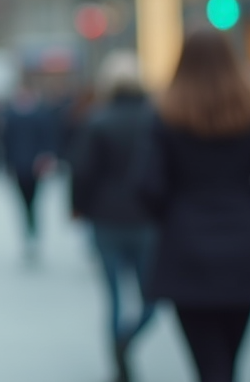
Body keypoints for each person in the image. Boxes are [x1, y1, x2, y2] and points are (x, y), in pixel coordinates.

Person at [139, 30, 250, 382]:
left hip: (185, 244)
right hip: (243, 242)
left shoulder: (166, 115)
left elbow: (147, 185)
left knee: (207, 363)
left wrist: (172, 215)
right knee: (230, 360)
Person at [71, 51, 156, 382]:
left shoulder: (97, 120)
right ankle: (128, 340)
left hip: (105, 218)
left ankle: (117, 352)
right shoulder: (155, 119)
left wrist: (77, 207)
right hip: (146, 218)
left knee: (114, 295)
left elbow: (83, 172)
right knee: (152, 295)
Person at [1, 84, 56, 258]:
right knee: (23, 201)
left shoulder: (41, 115)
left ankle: (33, 230)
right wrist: (6, 164)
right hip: (18, 164)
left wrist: (46, 158)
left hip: (35, 165)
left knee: (34, 200)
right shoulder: (12, 116)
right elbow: (6, 142)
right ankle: (28, 230)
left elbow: (48, 138)